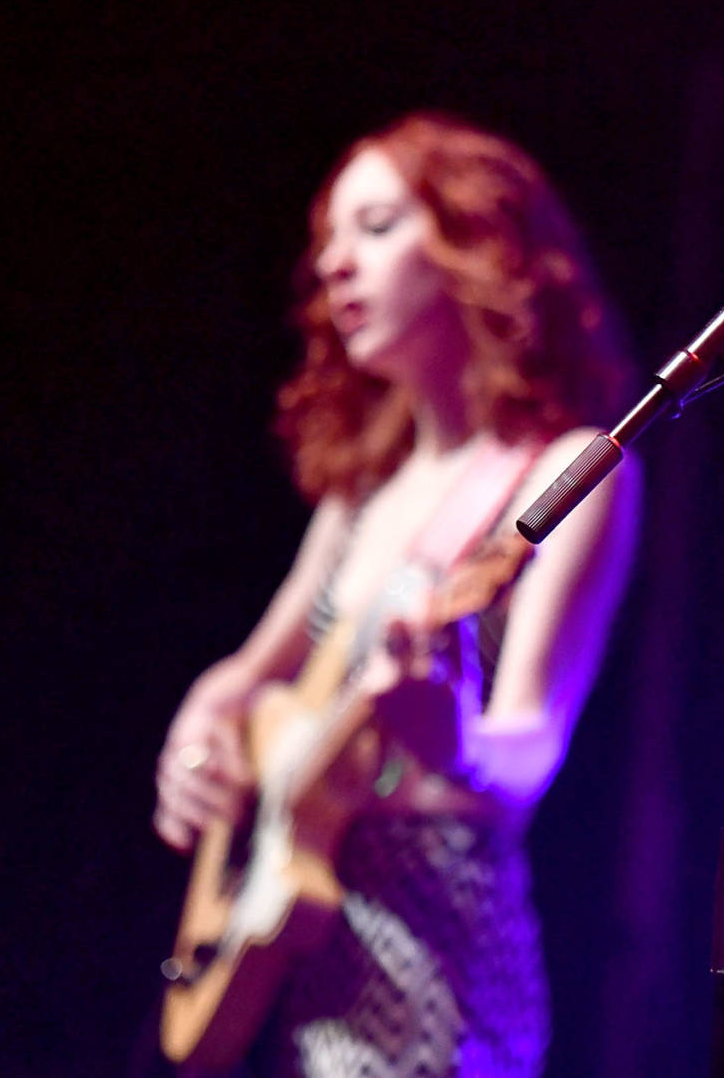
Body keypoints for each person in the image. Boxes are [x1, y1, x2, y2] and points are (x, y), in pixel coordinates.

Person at [153, 112, 639, 1078]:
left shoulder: (569, 474)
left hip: (438, 969)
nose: (335, 264)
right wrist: (197, 732)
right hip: (307, 960)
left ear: (476, 246)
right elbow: (249, 677)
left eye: (374, 227)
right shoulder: (360, 494)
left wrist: (453, 740)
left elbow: (532, 743)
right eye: (328, 239)